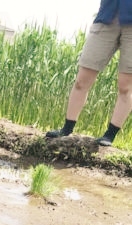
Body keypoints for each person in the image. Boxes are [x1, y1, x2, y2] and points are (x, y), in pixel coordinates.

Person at [46, 0, 132, 146]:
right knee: (81, 81)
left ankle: (109, 135)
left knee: (126, 86)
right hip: (107, 17)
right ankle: (66, 129)